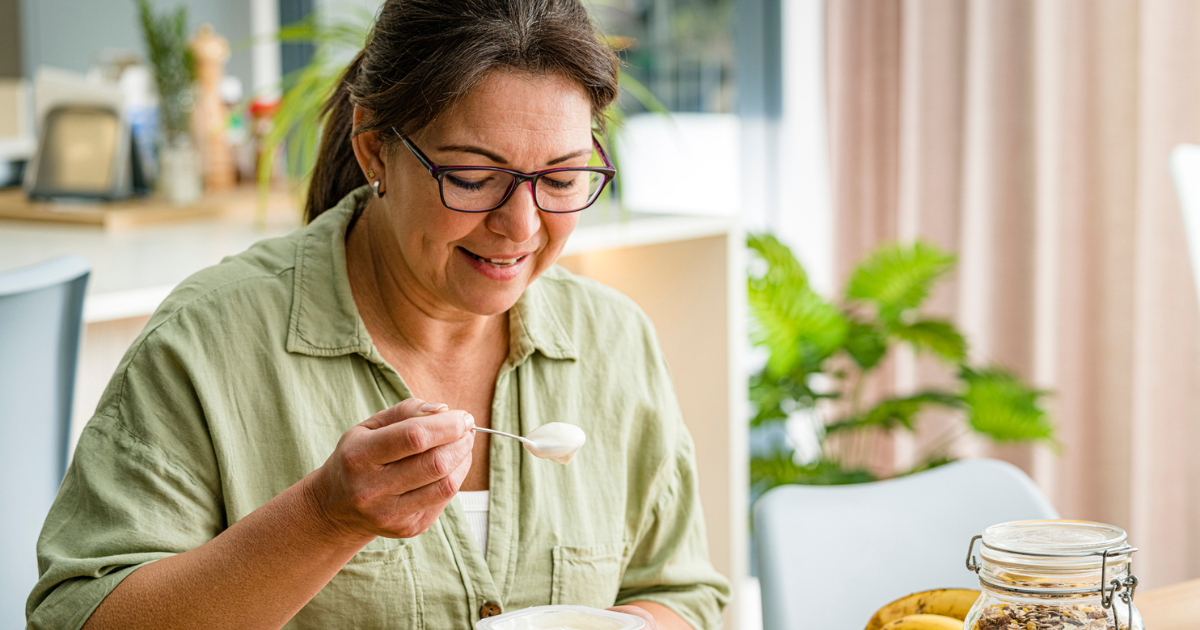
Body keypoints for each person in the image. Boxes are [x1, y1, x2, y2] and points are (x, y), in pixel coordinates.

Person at [26, 1, 731, 628]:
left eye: (561, 178)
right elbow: (75, 619)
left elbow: (681, 591)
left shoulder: (612, 339)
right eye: (473, 176)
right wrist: (321, 519)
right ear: (375, 151)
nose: (522, 226)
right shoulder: (210, 343)